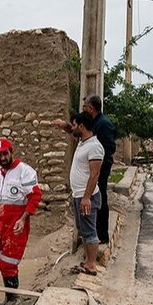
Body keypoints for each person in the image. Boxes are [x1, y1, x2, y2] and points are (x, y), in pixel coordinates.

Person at [53, 95, 116, 243]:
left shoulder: (104, 124)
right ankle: (92, 236)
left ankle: (100, 236)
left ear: (91, 108)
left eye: (85, 107)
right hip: (90, 170)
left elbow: (107, 148)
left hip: (97, 169)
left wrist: (95, 163)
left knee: (97, 203)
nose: (83, 109)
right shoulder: (92, 123)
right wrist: (65, 126)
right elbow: (79, 134)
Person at [0, 138, 42, 305]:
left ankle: (14, 299)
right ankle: (9, 297)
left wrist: (23, 219)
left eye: (5, 153)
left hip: (15, 224)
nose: (2, 157)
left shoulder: (24, 171)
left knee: (9, 262)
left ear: (12, 152)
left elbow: (34, 197)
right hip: (0, 223)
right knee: (0, 260)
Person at [69, 112, 104, 276]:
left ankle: (91, 265)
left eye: (74, 125)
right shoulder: (83, 142)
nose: (72, 128)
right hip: (79, 195)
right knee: (83, 229)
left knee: (90, 231)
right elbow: (71, 131)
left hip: (86, 196)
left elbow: (94, 174)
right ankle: (87, 261)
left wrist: (86, 198)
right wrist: (62, 124)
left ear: (82, 126)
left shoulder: (94, 146)